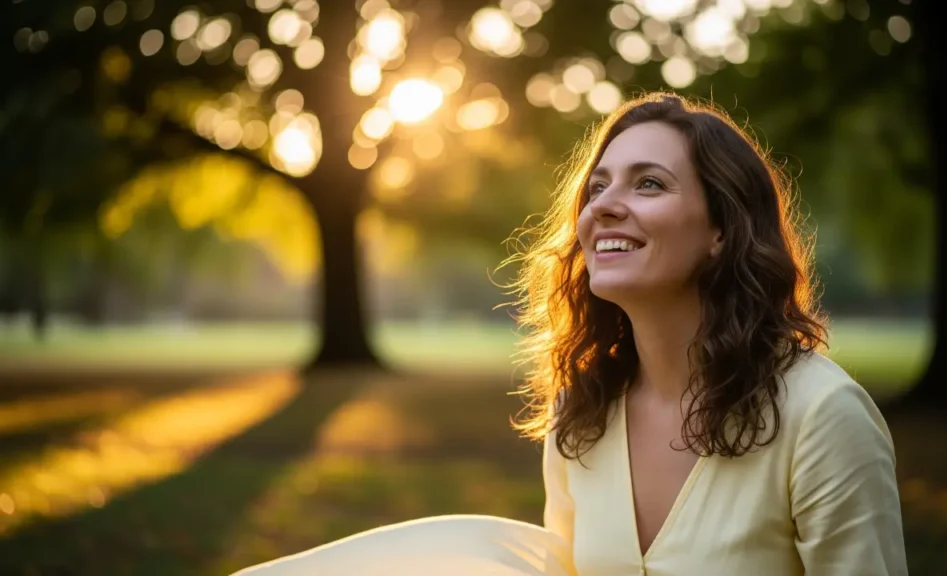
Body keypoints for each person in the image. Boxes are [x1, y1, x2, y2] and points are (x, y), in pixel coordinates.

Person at [233, 92, 907, 575]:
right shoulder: (582, 411)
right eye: (598, 187)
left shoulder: (823, 417)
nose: (606, 204)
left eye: (649, 184)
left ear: (720, 231)